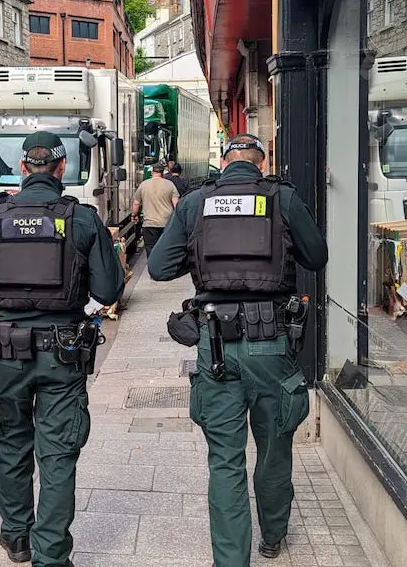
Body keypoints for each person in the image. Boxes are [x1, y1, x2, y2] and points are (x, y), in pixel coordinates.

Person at [148, 133, 328, 566]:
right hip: (271, 345)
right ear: (261, 163)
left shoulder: (195, 203)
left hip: (215, 349)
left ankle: (231, 560)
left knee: (225, 460)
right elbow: (316, 256)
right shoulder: (282, 197)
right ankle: (273, 536)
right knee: (274, 446)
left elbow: (158, 268)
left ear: (225, 162)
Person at [0, 131, 125, 567]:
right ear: (62, 168)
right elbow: (108, 290)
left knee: (12, 445)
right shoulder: (81, 219)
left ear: (23, 168)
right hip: (62, 356)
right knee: (58, 452)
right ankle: (51, 554)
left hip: (5, 353)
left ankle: (16, 538)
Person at [132, 163, 179, 258]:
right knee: (165, 250)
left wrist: (134, 215)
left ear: (152, 172)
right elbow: (176, 205)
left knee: (151, 250)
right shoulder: (170, 185)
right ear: (163, 173)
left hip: (149, 225)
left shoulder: (144, 184)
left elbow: (136, 203)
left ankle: (153, 269)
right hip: (167, 224)